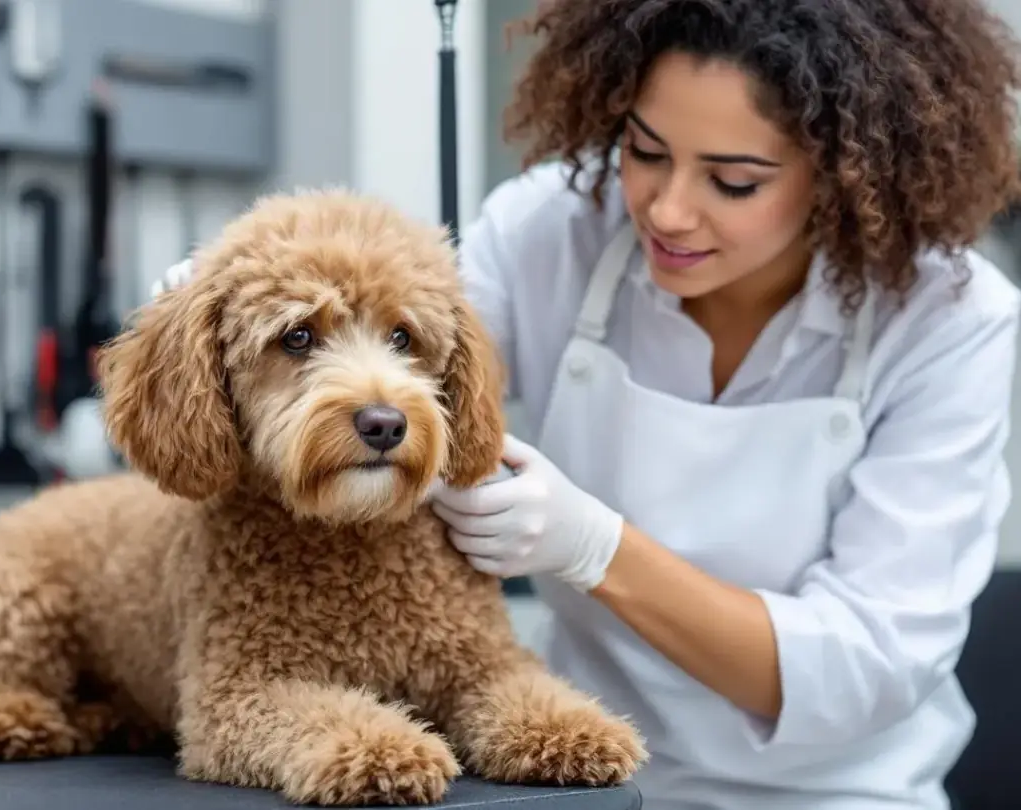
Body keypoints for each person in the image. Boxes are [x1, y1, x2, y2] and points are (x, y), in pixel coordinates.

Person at [153, 0, 1021, 806]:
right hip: (577, 782)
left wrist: (596, 548)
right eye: (646, 151)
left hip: (839, 791)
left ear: (842, 172)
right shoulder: (555, 227)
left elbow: (866, 666)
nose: (668, 211)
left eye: (734, 181)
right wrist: (224, 316)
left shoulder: (951, 319)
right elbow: (409, 346)